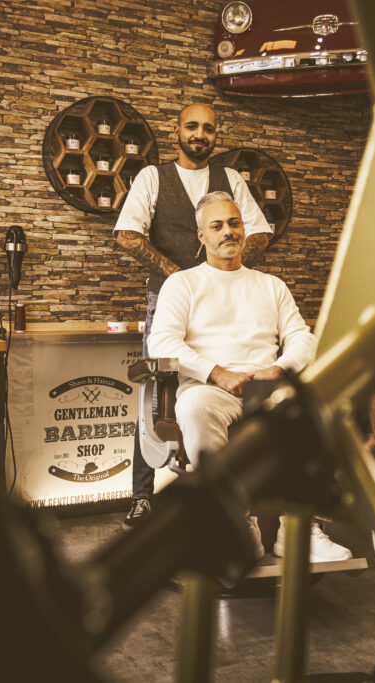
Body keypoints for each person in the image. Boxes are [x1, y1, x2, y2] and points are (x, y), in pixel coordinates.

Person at [147, 191, 352, 563]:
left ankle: (298, 530)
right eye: (217, 226)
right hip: (212, 390)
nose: (228, 231)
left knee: (315, 405)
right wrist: (217, 373)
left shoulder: (271, 285)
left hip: (270, 388)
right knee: (194, 406)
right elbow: (161, 341)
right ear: (201, 236)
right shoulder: (183, 284)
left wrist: (280, 368)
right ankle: (237, 527)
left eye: (234, 223)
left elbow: (302, 338)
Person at [113, 103, 272, 528]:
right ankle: (143, 497)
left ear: (216, 134)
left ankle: (244, 496)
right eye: (192, 126)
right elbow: (126, 235)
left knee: (234, 386)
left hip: (224, 299)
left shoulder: (231, 178)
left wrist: (228, 270)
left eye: (208, 128)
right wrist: (182, 276)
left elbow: (260, 231)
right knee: (157, 396)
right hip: (168, 295)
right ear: (177, 132)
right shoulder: (154, 177)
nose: (200, 134)